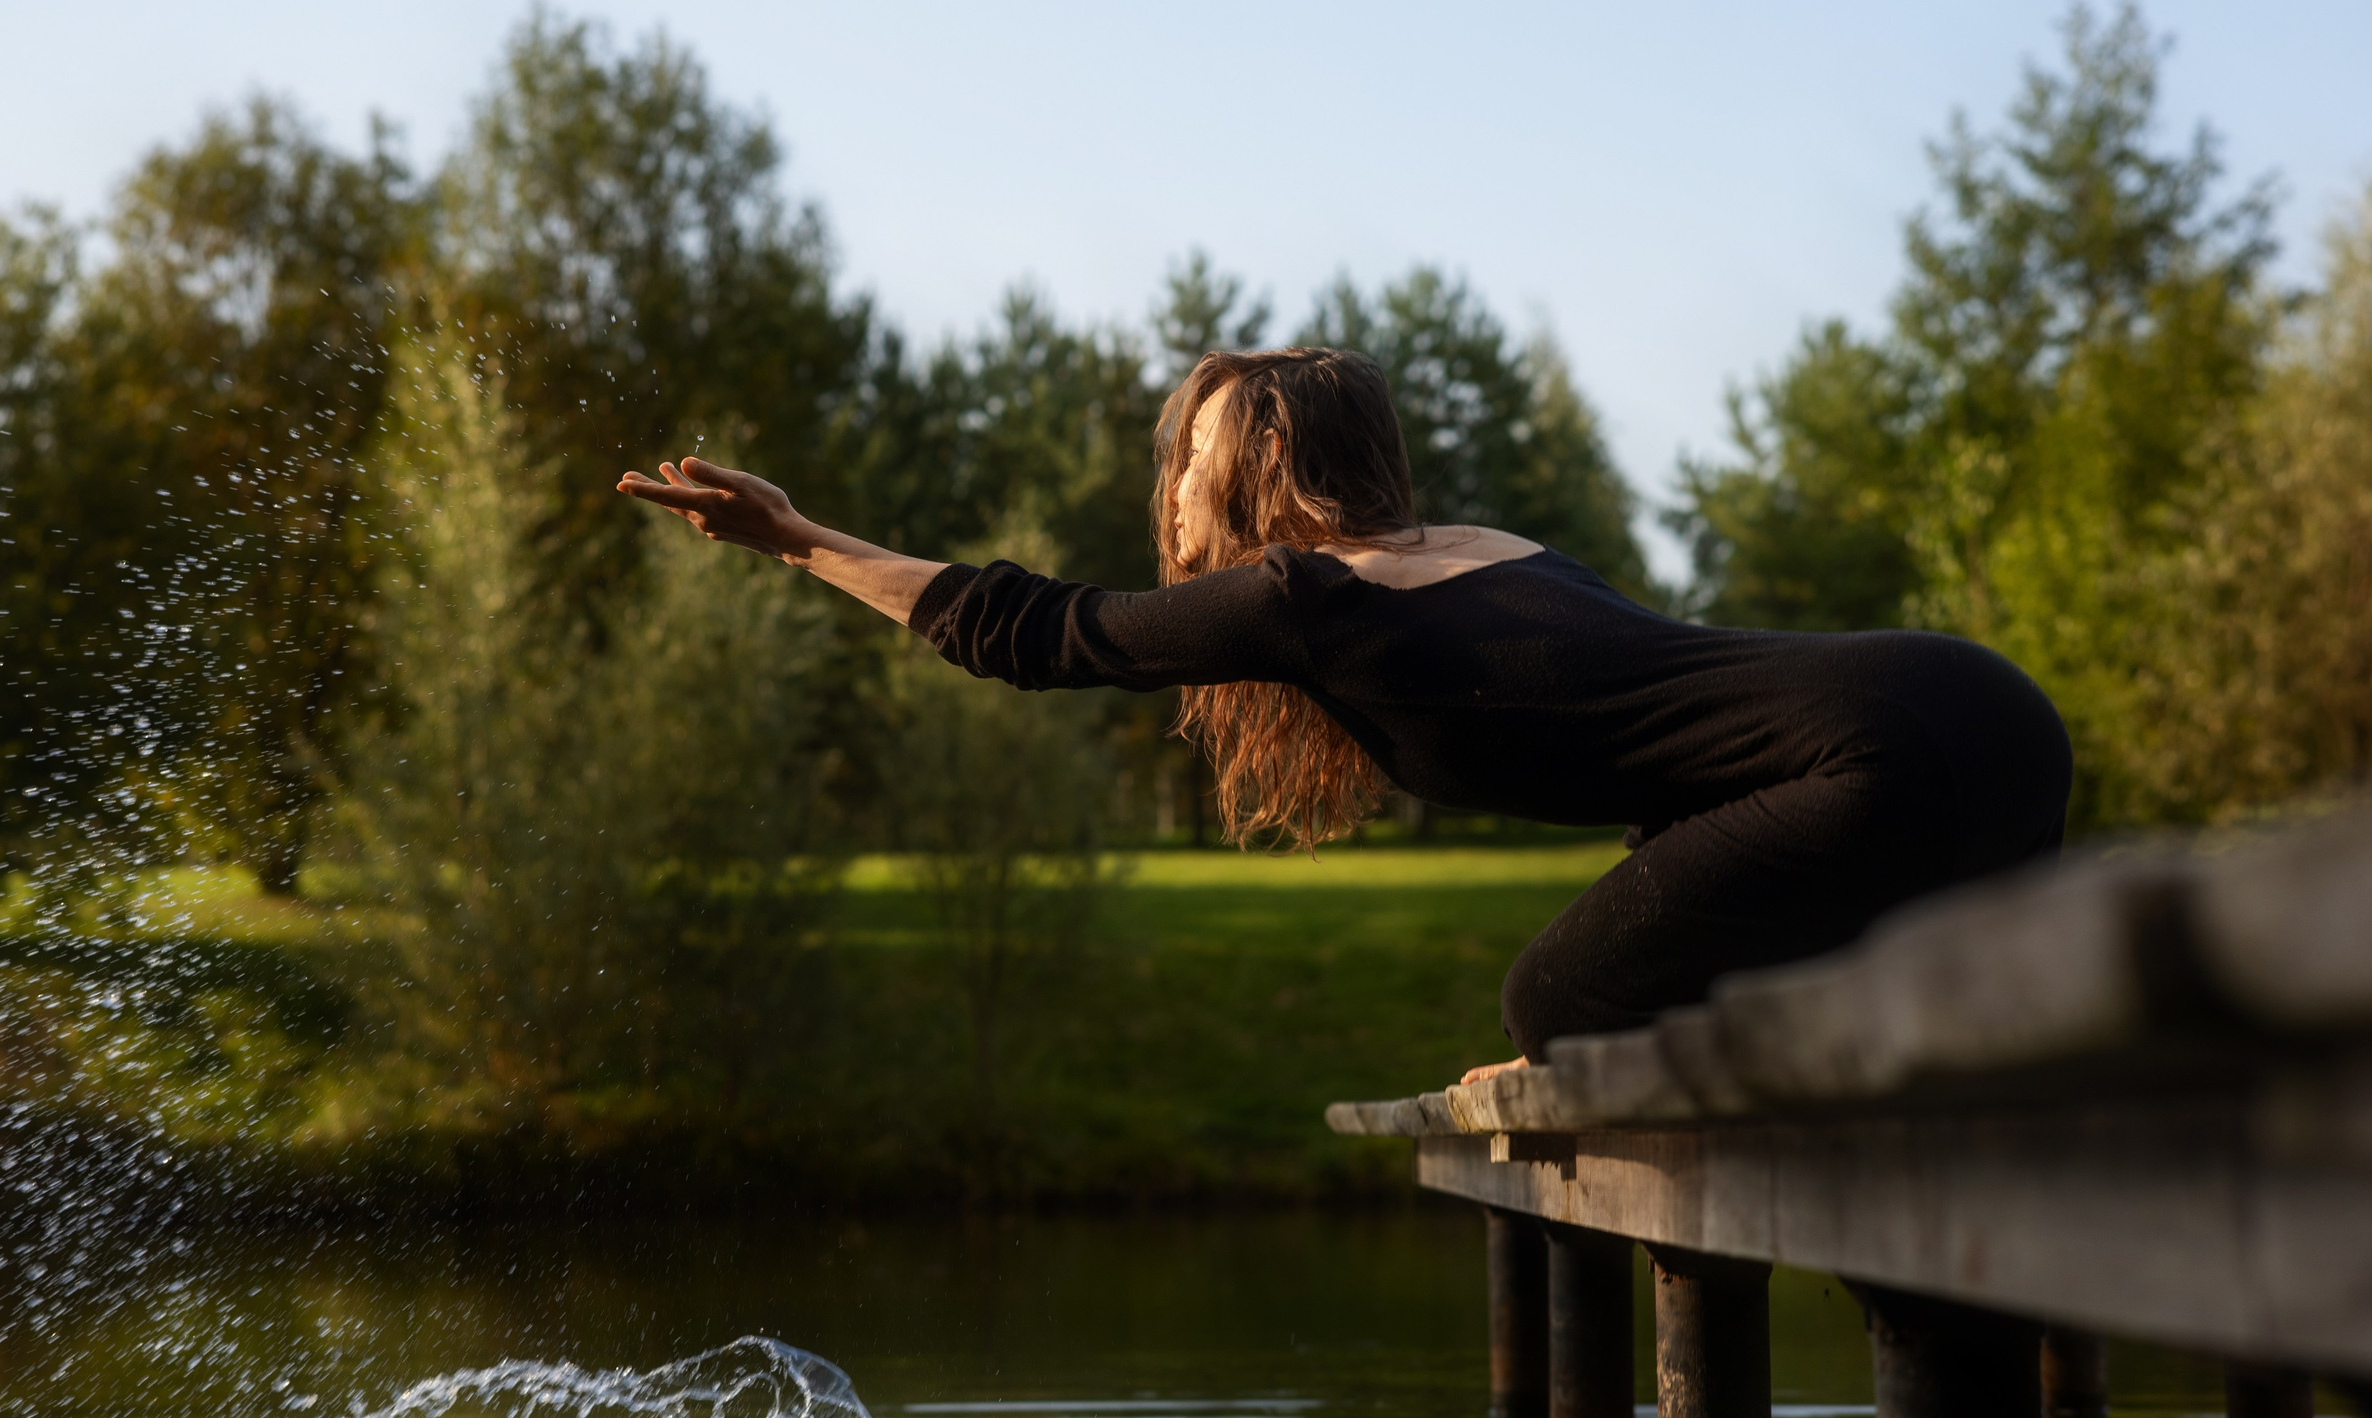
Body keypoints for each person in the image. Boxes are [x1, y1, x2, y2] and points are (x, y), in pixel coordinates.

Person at [619, 347, 2071, 1085]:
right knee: (1694, 974)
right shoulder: (1489, 548)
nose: (1170, 493)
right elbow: (1679, 748)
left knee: (1555, 1006)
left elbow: (1035, 633)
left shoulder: (1311, 596)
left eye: (1184, 459)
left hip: (1885, 755)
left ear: (1250, 471)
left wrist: (802, 539)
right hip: (1992, 716)